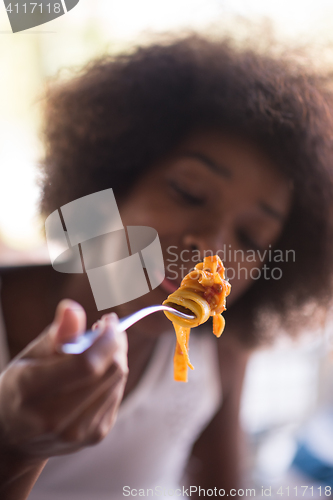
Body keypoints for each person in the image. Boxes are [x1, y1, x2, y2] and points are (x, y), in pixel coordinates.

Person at [1, 34, 333, 500]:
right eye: (188, 193)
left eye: (251, 238)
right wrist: (14, 448)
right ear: (110, 182)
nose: (212, 249)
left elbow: (220, 487)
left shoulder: (220, 346)